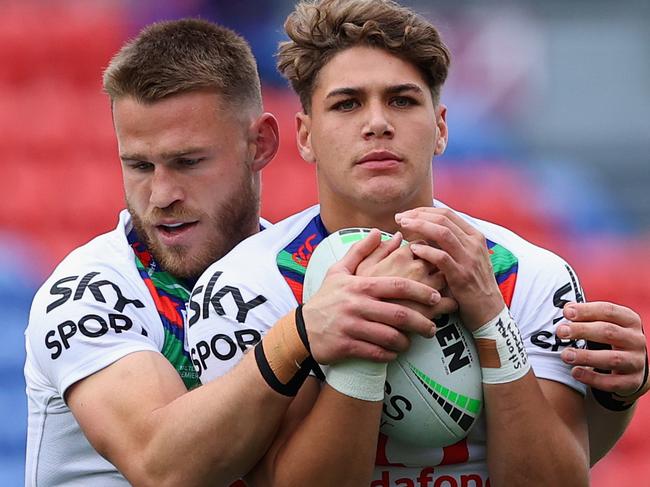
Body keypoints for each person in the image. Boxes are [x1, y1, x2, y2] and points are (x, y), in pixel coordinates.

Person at [186, 0, 649, 485]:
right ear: (305, 137)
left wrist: (490, 314)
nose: (377, 123)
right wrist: (364, 340)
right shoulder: (243, 287)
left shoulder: (533, 275)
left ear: (441, 128)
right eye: (347, 104)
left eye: (402, 100)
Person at [24, 18, 447, 486]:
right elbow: (161, 469)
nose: (161, 195)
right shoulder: (89, 292)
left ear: (260, 144)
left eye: (189, 162)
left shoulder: (290, 272)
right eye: (140, 166)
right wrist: (299, 335)